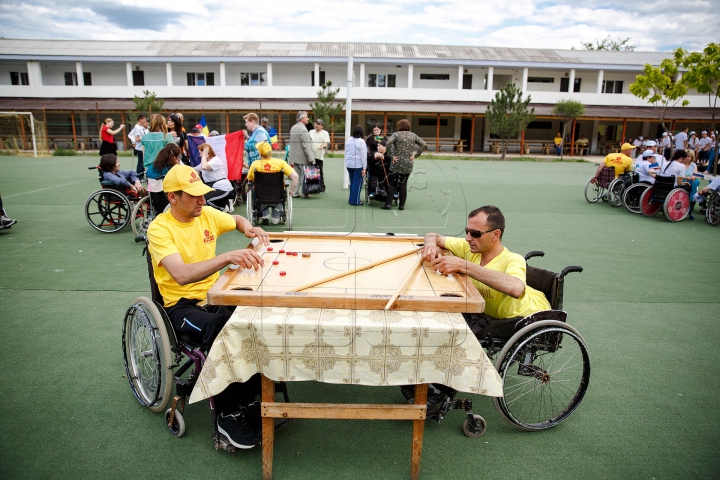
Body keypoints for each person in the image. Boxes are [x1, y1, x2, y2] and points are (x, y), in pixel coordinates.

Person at [147, 163, 270, 450]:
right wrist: (227, 257)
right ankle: (227, 416)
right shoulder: (160, 228)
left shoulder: (206, 214)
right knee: (220, 329)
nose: (203, 200)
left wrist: (249, 228)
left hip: (216, 295)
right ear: (173, 197)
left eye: (203, 193)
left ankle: (250, 399)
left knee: (253, 319)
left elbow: (237, 219)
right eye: (194, 195)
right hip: (180, 306)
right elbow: (181, 274)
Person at [421, 205, 551, 341]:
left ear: (496, 235)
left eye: (475, 233)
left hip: (524, 318)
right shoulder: (470, 248)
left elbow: (516, 288)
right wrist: (431, 245)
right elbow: (432, 236)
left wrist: (463, 265)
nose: (468, 238)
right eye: (467, 231)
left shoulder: (513, 259)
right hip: (490, 316)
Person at [246, 141, 299, 224]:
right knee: (275, 221)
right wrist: (291, 191)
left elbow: (250, 179)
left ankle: (265, 216)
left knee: (257, 190)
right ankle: (276, 216)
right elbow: (295, 177)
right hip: (277, 195)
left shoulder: (255, 164)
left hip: (261, 196)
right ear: (271, 152)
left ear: (260, 153)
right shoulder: (280, 163)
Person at [384, 119, 427, 210]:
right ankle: (401, 205)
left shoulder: (396, 134)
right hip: (408, 162)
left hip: (397, 162)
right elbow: (423, 144)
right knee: (403, 184)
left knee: (393, 184)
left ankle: (388, 204)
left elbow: (388, 143)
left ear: (399, 126)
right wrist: (415, 155)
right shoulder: (413, 135)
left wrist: (391, 155)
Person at [195, 143, 235, 212]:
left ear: (207, 153)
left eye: (201, 153)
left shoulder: (216, 161)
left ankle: (224, 206)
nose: (200, 155)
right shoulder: (206, 162)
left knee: (205, 199)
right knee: (201, 197)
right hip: (215, 189)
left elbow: (204, 167)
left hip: (224, 189)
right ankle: (224, 205)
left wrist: (204, 156)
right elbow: (195, 169)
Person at [146, 143, 181, 214]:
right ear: (174, 156)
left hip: (153, 189)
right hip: (162, 192)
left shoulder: (155, 163)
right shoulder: (169, 167)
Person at [288, 111, 316, 198]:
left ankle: (295, 193)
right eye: (306, 117)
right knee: (305, 176)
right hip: (302, 157)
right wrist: (311, 157)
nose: (308, 118)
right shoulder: (303, 129)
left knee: (297, 176)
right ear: (302, 119)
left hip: (294, 156)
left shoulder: (293, 127)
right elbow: (306, 145)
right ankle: (305, 193)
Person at [344, 125, 367, 206]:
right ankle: (355, 200)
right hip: (358, 165)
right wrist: (364, 168)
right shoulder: (361, 142)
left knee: (352, 182)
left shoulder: (349, 140)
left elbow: (346, 152)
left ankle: (351, 199)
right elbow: (363, 156)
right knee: (357, 184)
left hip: (349, 164)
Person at [308, 118, 330, 193]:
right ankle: (313, 188)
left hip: (319, 155)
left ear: (322, 126)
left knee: (319, 172)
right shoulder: (311, 132)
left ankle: (321, 188)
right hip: (311, 155)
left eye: (318, 124)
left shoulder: (325, 133)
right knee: (311, 172)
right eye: (315, 123)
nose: (316, 125)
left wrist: (322, 146)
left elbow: (326, 143)